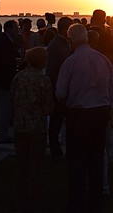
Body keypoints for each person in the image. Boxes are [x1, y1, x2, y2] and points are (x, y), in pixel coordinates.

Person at [56, 23, 113, 213]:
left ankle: (76, 203)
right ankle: (95, 203)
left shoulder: (71, 62)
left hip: (79, 115)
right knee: (97, 159)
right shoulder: (104, 60)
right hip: (100, 113)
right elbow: (112, 90)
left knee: (77, 162)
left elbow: (60, 93)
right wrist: (110, 110)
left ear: (70, 40)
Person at [10, 46, 55, 213]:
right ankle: (33, 200)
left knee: (21, 164)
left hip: (20, 126)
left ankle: (18, 199)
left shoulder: (18, 77)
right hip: (37, 127)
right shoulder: (43, 80)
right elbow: (48, 106)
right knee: (35, 165)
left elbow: (12, 98)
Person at [46, 16, 74, 162]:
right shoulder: (55, 45)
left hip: (66, 88)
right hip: (59, 88)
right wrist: (58, 88)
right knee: (56, 121)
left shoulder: (65, 43)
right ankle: (56, 151)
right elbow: (52, 69)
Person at [0, 19, 21, 143]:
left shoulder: (0, 40)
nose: (17, 30)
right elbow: (6, 62)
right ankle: (2, 134)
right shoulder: (5, 42)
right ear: (8, 29)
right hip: (5, 79)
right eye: (15, 28)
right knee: (4, 108)